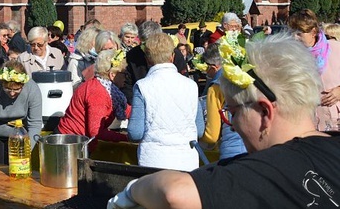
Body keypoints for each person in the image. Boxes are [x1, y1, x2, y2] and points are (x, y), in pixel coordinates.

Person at [107, 33, 340, 209]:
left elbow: (175, 192)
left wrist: (131, 190)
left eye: (233, 112)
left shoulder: (264, 170)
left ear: (265, 112)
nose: (234, 124)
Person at [127, 32, 204, 171]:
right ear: (172, 57)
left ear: (147, 59)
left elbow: (135, 132)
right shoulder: (191, 85)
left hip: (154, 160)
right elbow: (199, 130)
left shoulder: (142, 86)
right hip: (187, 159)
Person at [57, 49, 129, 151]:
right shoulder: (97, 92)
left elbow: (126, 109)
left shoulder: (109, 89)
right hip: (70, 144)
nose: (126, 78)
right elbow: (96, 131)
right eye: (124, 74)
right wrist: (126, 138)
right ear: (112, 75)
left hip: (78, 142)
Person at [0, 60, 42, 163]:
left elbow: (35, 123)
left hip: (19, 135)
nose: (12, 94)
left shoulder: (32, 89)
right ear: (1, 83)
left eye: (16, 90)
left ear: (23, 85)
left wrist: (26, 152)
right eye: (7, 88)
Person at [289, 9, 340, 131]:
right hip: (308, 123)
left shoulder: (335, 48)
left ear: (313, 32)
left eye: (300, 33)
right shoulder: (290, 57)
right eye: (293, 32)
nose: (295, 37)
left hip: (336, 121)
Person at [198, 44, 246, 160]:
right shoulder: (244, 79)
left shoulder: (215, 89)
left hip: (231, 151)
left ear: (213, 67)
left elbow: (212, 135)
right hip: (255, 148)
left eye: (206, 67)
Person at [121, 21, 162, 103]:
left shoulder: (172, 54)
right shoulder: (132, 55)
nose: (147, 48)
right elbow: (128, 84)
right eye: (144, 44)